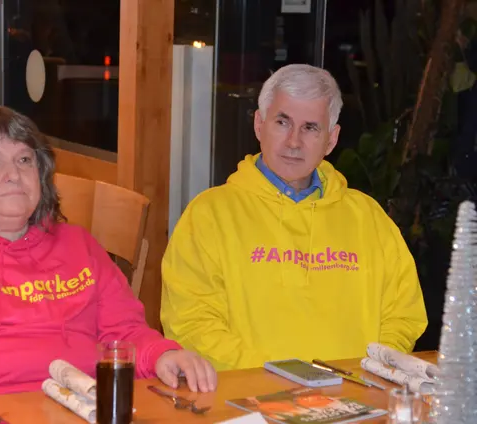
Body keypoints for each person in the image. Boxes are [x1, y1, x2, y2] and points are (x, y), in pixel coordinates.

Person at [0, 105, 216, 400]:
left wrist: (163, 354)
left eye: (25, 160)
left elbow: (125, 333)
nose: (13, 174)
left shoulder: (80, 247)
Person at [161, 64, 428, 371]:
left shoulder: (368, 217)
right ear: (259, 125)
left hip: (356, 393)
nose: (293, 142)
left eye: (310, 128)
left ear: (331, 140)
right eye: (282, 122)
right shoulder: (209, 215)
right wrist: (279, 380)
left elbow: (403, 314)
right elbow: (191, 324)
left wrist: (372, 371)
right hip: (248, 395)